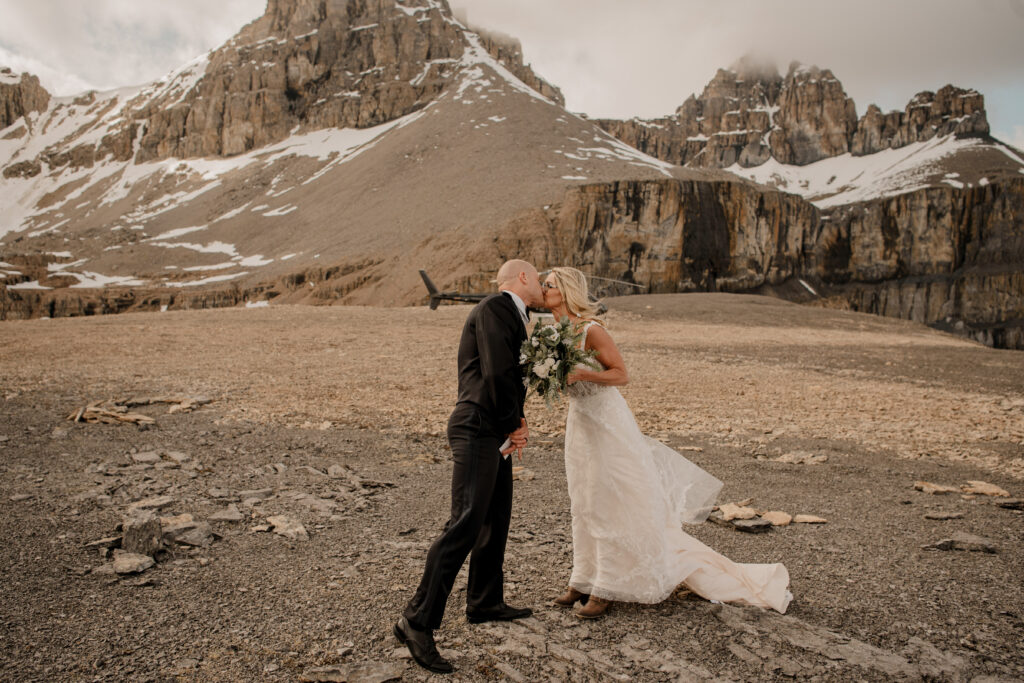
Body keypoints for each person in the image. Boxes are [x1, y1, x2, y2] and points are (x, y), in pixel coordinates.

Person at [541, 267, 792, 619]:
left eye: (547, 285)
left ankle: (607, 587)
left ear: (564, 291)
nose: (542, 289)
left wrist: (584, 373)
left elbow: (621, 374)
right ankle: (582, 578)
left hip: (608, 423)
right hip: (580, 422)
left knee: (609, 499)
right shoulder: (554, 332)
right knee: (582, 499)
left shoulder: (591, 330)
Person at [395, 259, 545, 674]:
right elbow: (498, 374)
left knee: (495, 517)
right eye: (541, 278)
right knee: (464, 522)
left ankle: (484, 600)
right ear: (523, 277)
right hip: (479, 426)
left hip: (492, 427)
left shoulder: (512, 313)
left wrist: (515, 423)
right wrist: (516, 424)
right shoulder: (496, 308)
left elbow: (507, 377)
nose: (545, 285)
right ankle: (417, 620)